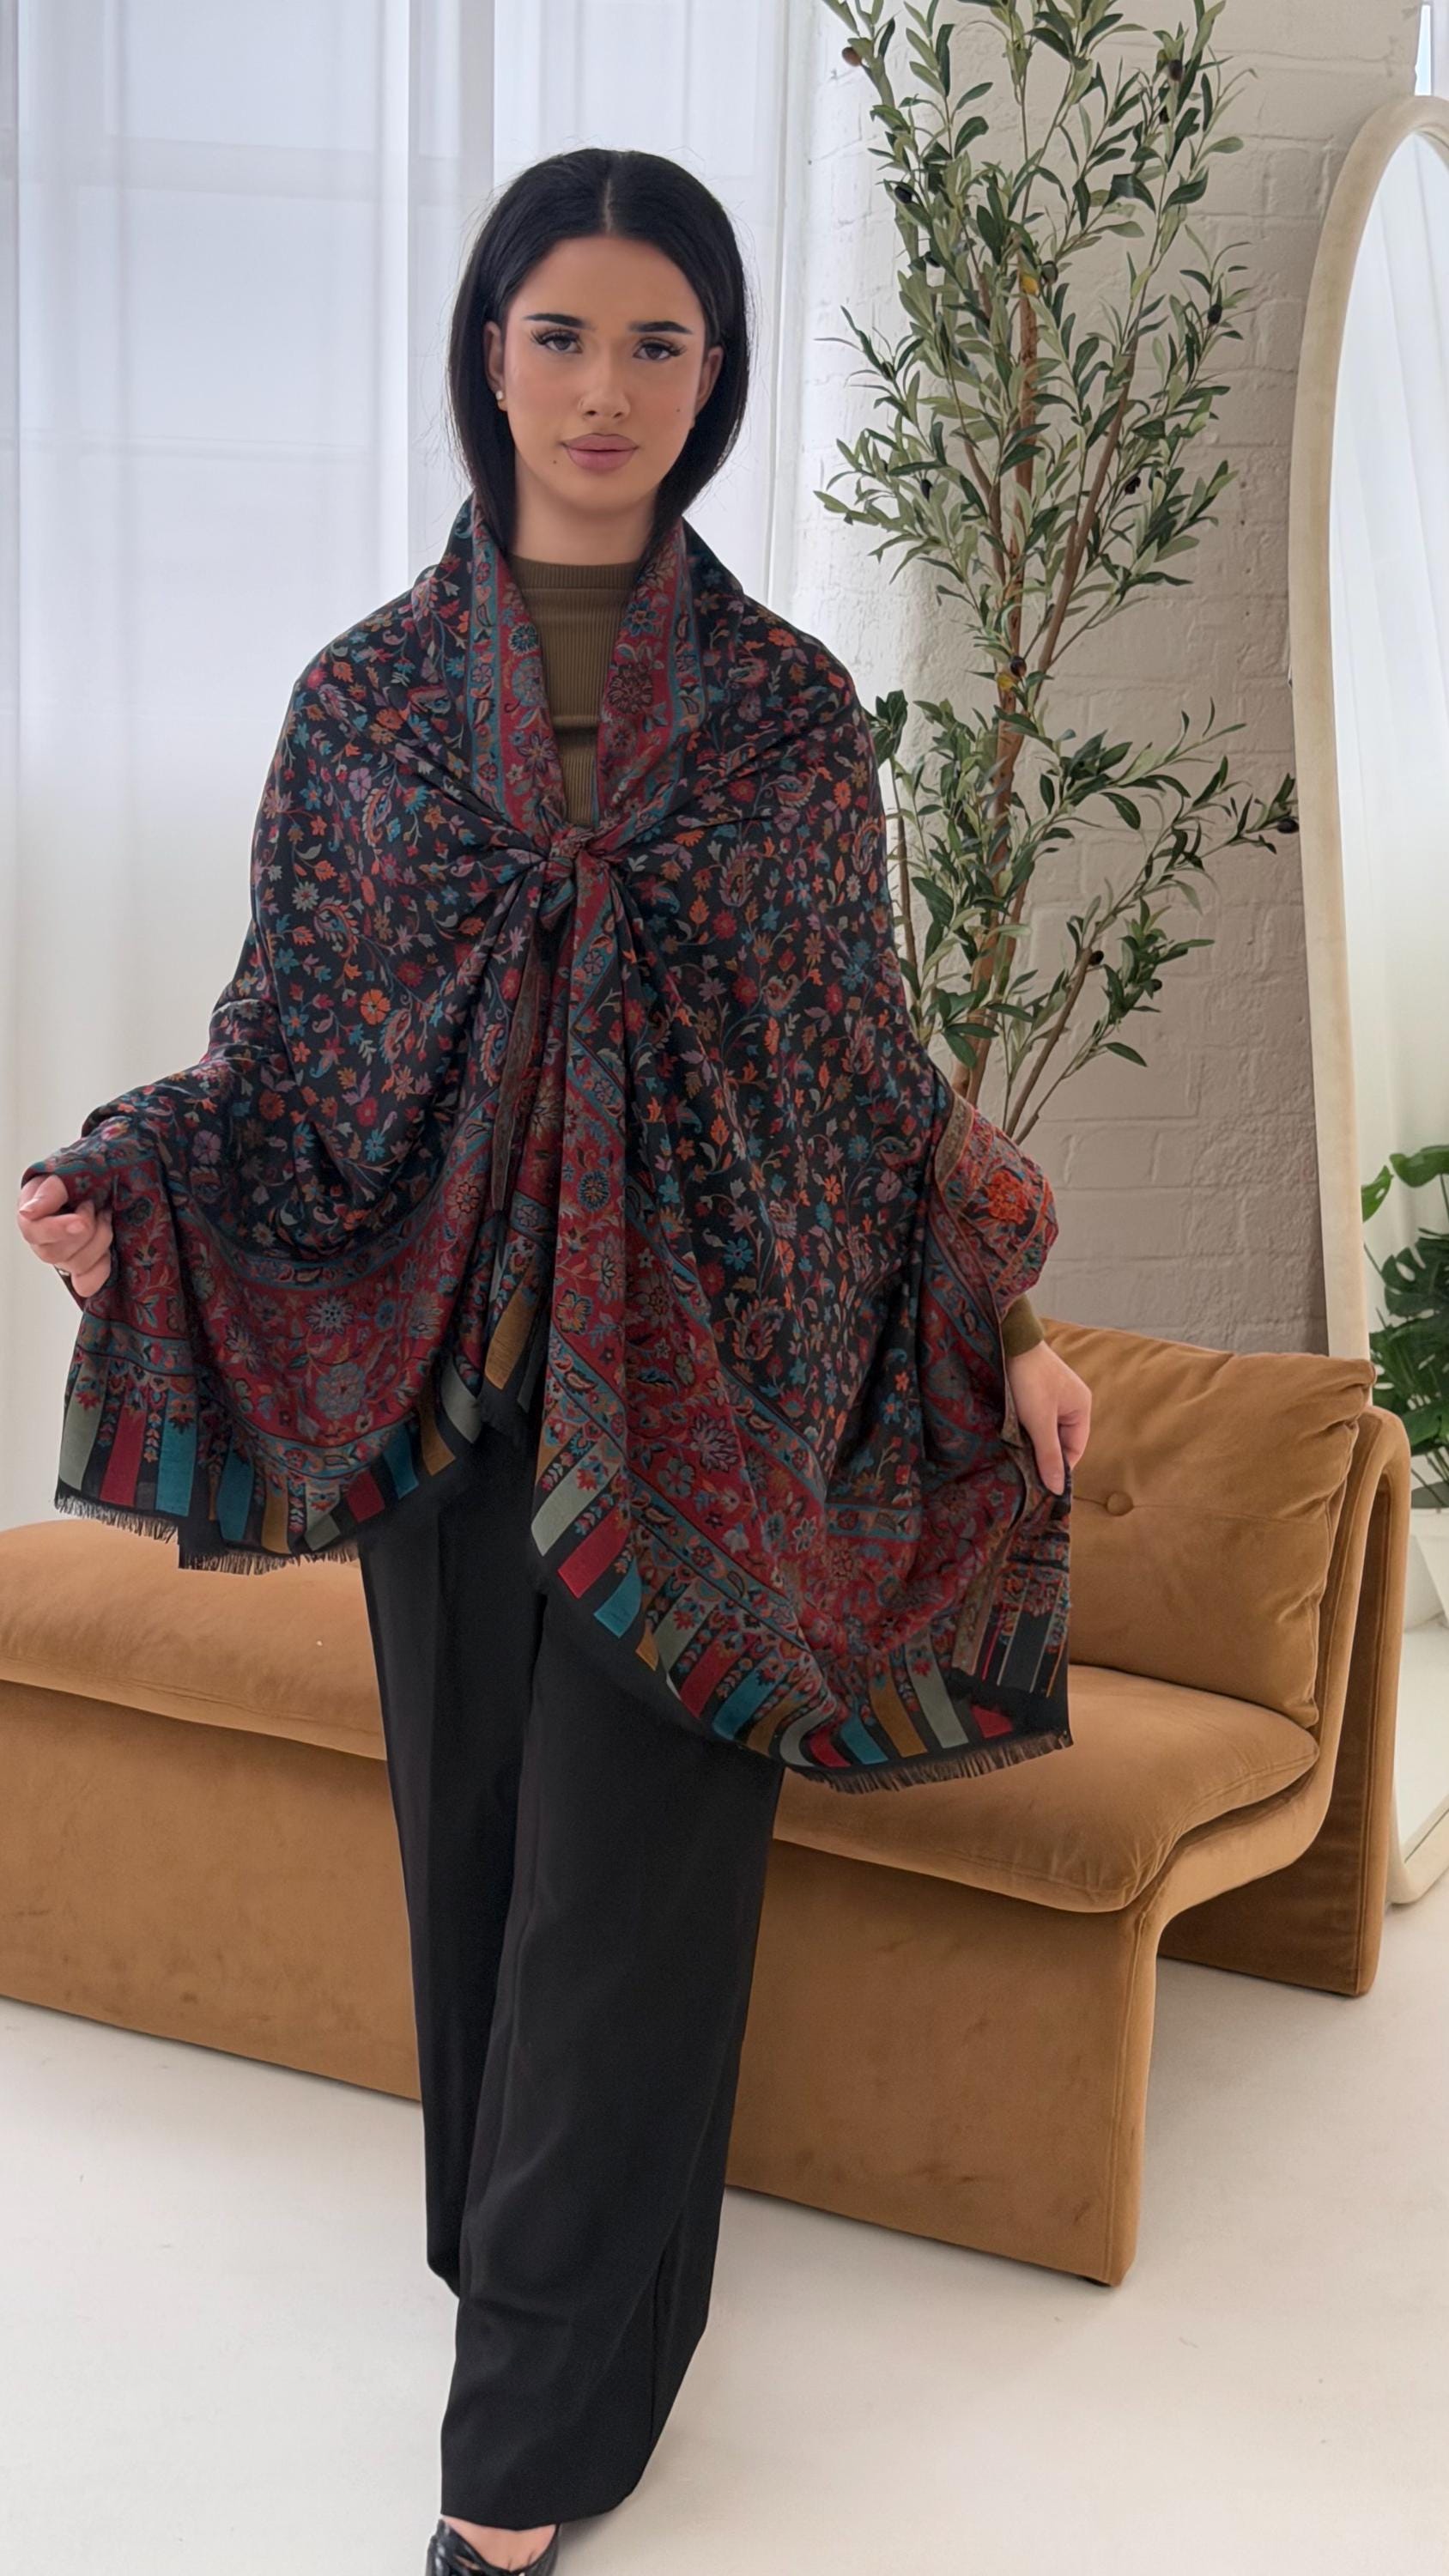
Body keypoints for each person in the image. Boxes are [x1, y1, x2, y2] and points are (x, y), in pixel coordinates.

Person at [16, 148, 1091, 2575]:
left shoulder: (791, 717)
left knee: (629, 1901)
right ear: (487, 357)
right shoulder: (368, 707)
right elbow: (288, 1051)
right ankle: (579, 2321)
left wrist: (1004, 1328)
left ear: (716, 380)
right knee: (487, 1881)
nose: (607, 388)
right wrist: (131, 1187)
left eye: (660, 343)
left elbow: (859, 1073)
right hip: (448, 1389)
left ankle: (505, 2479)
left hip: (714, 1396)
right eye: (563, 335)